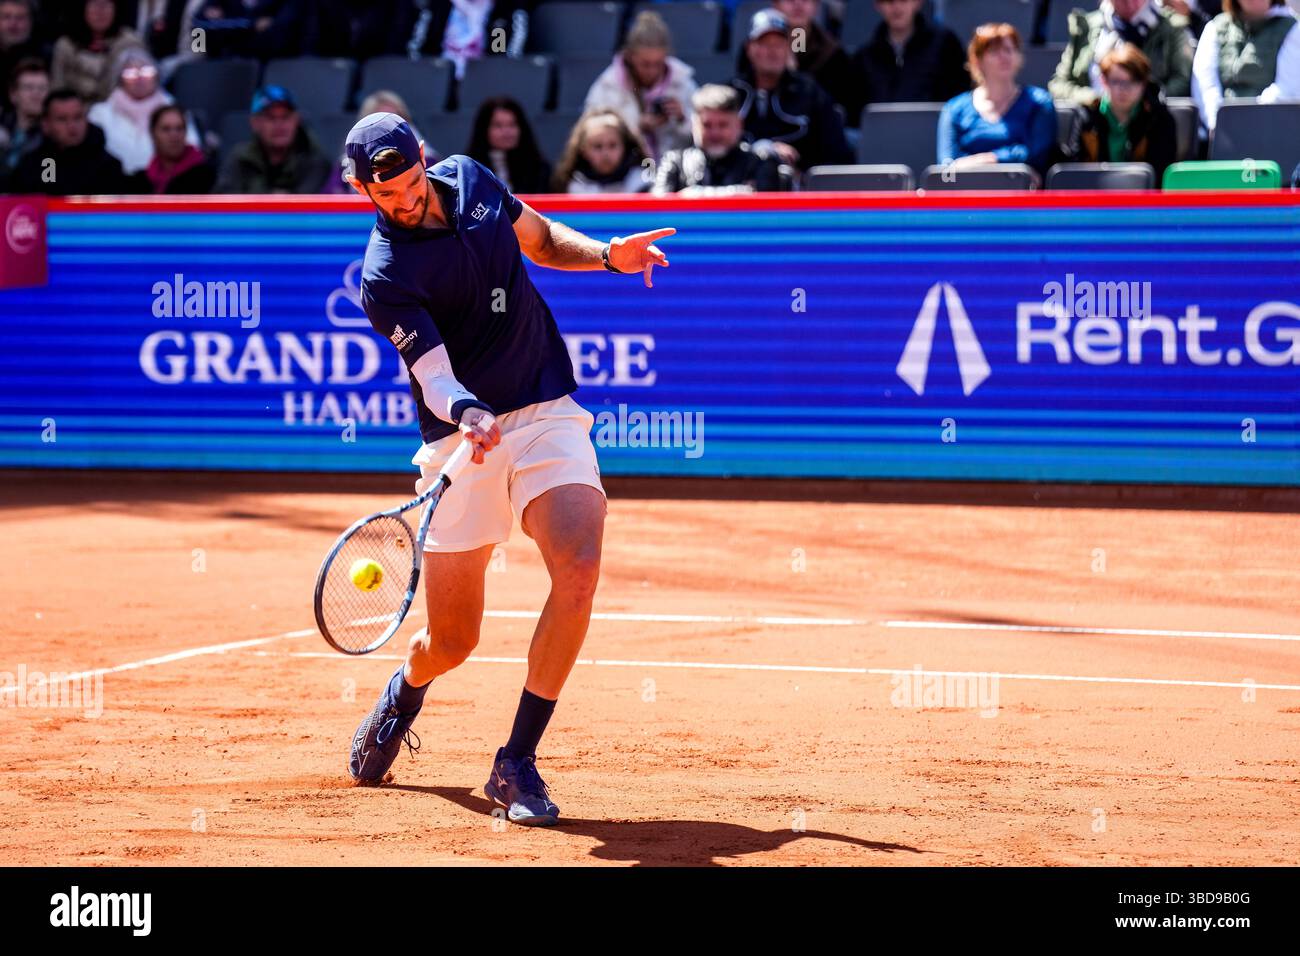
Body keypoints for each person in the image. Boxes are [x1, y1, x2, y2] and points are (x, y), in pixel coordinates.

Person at [340, 112, 675, 825]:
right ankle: (406, 688)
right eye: (385, 194)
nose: (403, 201)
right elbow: (430, 372)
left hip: (545, 408)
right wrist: (466, 410)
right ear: (360, 189)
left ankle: (515, 762)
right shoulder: (385, 273)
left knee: (578, 567)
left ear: (423, 160)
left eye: (408, 184)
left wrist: (610, 255)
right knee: (453, 641)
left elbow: (544, 239)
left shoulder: (472, 180)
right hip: (462, 444)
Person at [731, 8, 853, 171]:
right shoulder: (731, 94)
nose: (771, 51)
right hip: (739, 187)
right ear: (749, 48)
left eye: (779, 44)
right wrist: (764, 149)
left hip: (798, 187)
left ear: (789, 48)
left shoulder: (811, 93)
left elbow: (837, 155)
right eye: (764, 43)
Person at [938, 22, 1057, 175]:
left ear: (1019, 57)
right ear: (977, 61)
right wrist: (1010, 156)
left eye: (1009, 50)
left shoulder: (1040, 103)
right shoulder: (954, 109)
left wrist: (989, 159)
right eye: (994, 51)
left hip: (1020, 192)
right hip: (967, 193)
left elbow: (1036, 155)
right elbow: (947, 165)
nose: (1004, 57)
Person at [583, 9, 696, 162]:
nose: (652, 71)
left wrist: (683, 118)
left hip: (677, 170)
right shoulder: (607, 86)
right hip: (624, 172)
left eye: (658, 63)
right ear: (630, 56)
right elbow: (590, 135)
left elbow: (705, 135)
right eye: (645, 64)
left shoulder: (683, 83)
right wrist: (636, 128)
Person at [1051, 0, 1193, 107]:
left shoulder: (1172, 28)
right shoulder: (1086, 26)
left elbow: (1182, 81)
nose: (1130, 4)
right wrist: (1094, 100)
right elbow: (1058, 85)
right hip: (1092, 124)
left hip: (1149, 126)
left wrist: (1138, 102)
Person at [654, 83, 790, 194]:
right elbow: (657, 210)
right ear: (694, 125)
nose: (715, 133)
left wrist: (691, 195)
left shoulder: (760, 162)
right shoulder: (675, 163)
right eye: (707, 125)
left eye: (723, 125)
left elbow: (767, 212)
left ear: (739, 124)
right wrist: (739, 193)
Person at [1192, 0, 1299, 131]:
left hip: (1270, 130)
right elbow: (1205, 82)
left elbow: (1287, 89)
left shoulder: (1292, 28)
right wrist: (1217, 121)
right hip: (1223, 132)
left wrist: (1249, 122)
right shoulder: (1215, 27)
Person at [9, 87, 140, 193]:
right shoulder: (39, 164)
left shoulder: (108, 166)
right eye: (62, 119)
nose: (72, 126)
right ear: (46, 125)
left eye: (77, 118)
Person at [850, 0, 969, 116]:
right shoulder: (864, 57)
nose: (896, 7)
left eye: (904, 0)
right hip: (881, 133)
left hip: (933, 132)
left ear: (918, 2)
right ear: (877, 5)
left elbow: (961, 100)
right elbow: (855, 114)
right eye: (889, 1)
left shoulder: (945, 45)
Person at [88, 47, 197, 174]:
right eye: (130, 73)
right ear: (119, 78)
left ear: (156, 75)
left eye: (146, 71)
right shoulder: (100, 114)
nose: (139, 79)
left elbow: (192, 148)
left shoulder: (174, 110)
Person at [1078, 43, 1177, 177]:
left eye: (1133, 81)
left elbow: (1160, 178)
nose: (1124, 90)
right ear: (1104, 81)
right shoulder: (1086, 116)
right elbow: (1077, 174)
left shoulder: (1159, 119)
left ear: (1144, 83)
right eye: (1117, 81)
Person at [214, 85, 331, 193]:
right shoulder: (240, 159)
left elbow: (303, 208)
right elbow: (221, 202)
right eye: (271, 118)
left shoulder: (315, 162)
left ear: (296, 120)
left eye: (285, 117)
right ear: (255, 123)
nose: (279, 125)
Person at [772, 0, 858, 114]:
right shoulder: (757, 50)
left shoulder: (833, 55)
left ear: (816, 6)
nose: (798, 4)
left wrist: (794, 75)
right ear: (775, 5)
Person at [51, 0, 144, 103]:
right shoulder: (66, 45)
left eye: (106, 5)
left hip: (120, 110)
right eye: (95, 5)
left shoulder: (130, 43)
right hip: (75, 111)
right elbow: (58, 88)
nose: (101, 12)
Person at [465, 95, 551, 194]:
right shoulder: (469, 170)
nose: (507, 132)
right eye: (498, 125)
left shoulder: (538, 168)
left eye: (512, 124)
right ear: (483, 130)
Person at [552, 109, 650, 193]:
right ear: (583, 151)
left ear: (625, 147)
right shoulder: (573, 187)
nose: (605, 154)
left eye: (612, 145)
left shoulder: (642, 183)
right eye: (597, 146)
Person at [146, 102, 215, 192]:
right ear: (153, 134)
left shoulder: (206, 177)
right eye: (166, 129)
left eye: (179, 128)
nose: (174, 135)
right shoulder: (142, 181)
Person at [0, 57, 46, 180]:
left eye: (42, 88)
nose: (36, 94)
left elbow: (49, 181)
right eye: (29, 88)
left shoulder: (53, 137)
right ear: (13, 94)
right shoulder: (2, 128)